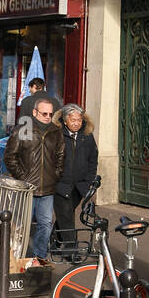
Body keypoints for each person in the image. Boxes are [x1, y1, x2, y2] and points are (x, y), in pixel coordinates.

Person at [4, 97, 65, 264]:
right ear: (34, 113)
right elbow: (10, 157)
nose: (47, 117)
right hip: (27, 188)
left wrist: (56, 174)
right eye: (44, 113)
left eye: (50, 114)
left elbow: (61, 155)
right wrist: (23, 178)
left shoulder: (56, 131)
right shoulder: (22, 130)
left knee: (45, 224)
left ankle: (39, 256)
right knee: (21, 226)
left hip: (47, 188)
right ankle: (16, 257)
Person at [51, 104, 98, 257]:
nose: (77, 123)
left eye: (79, 120)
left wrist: (90, 180)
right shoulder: (56, 134)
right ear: (65, 121)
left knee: (66, 214)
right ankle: (71, 251)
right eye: (73, 120)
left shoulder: (87, 134)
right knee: (66, 216)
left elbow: (93, 158)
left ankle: (54, 242)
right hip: (61, 184)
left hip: (80, 185)